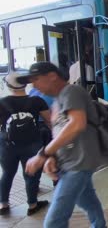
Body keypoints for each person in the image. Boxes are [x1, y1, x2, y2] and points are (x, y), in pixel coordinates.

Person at [19, 62, 106, 228]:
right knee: (88, 201)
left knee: (54, 222)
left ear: (52, 76)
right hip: (71, 162)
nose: (33, 85)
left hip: (79, 163)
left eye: (36, 79)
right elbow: (61, 132)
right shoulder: (58, 100)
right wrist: (53, 156)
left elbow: (77, 124)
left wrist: (43, 154)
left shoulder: (71, 92)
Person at [0, 72, 51, 216]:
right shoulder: (37, 101)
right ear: (25, 84)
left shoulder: (2, 102)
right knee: (31, 173)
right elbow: (49, 121)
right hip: (32, 143)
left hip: (7, 145)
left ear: (8, 85)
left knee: (7, 174)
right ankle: (33, 205)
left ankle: (3, 204)